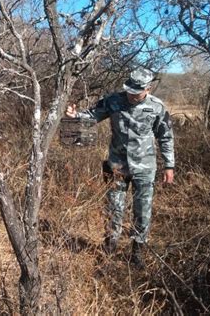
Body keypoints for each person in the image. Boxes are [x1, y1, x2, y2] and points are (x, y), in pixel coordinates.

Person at [65, 68, 175, 268]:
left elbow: (165, 137)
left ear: (148, 89)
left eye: (137, 91)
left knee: (143, 210)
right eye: (130, 90)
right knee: (113, 209)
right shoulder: (113, 100)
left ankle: (137, 253)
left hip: (145, 167)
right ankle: (109, 250)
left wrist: (169, 165)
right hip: (116, 166)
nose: (132, 95)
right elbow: (92, 115)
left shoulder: (157, 107)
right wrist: (75, 116)